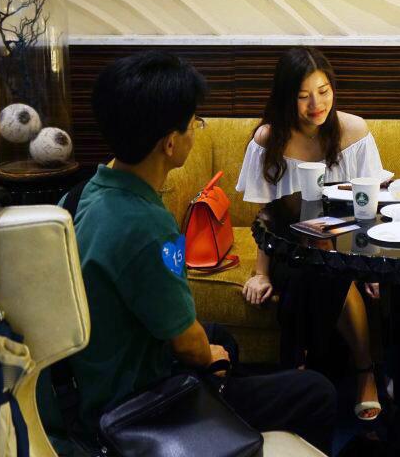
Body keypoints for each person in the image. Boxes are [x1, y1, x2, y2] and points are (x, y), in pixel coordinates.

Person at [59, 51, 336, 453]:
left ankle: (226, 411)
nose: (196, 130)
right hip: (138, 399)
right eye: (194, 122)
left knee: (221, 337)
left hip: (93, 374)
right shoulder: (146, 226)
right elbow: (187, 343)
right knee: (317, 390)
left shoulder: (83, 194)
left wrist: (212, 349)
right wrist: (208, 357)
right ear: (170, 143)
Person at [236, 47, 383, 421]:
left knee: (332, 268)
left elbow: (370, 206)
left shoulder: (354, 131)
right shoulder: (268, 139)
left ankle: (301, 367)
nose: (316, 105)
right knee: (319, 270)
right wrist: (261, 273)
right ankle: (363, 372)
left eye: (323, 91)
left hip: (347, 246)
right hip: (290, 248)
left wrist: (372, 267)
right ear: (286, 98)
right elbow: (265, 216)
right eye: (303, 96)